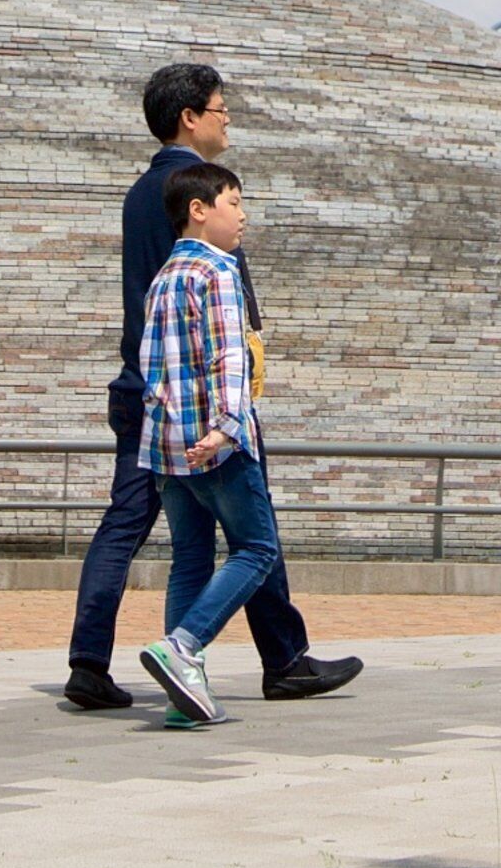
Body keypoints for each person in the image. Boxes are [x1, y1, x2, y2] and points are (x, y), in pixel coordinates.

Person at [63, 63, 357, 711]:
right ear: (190, 117)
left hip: (145, 390)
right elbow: (228, 319)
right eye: (221, 110)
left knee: (141, 531)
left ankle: (89, 661)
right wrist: (237, 403)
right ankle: (277, 657)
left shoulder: (141, 191)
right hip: (202, 397)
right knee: (254, 531)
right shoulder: (200, 198)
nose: (228, 121)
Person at [134, 161, 287, 727]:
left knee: (191, 559)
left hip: (168, 449)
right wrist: (227, 425)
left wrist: (166, 437)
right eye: (234, 203)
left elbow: (153, 369)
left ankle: (183, 693)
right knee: (257, 550)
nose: (243, 216)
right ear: (199, 210)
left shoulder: (163, 277)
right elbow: (229, 355)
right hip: (217, 444)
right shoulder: (218, 271)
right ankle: (185, 645)